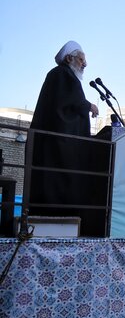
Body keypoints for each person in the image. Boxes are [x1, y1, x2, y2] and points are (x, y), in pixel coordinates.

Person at [28, 41, 102, 236]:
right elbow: (70, 100)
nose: (85, 64)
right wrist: (88, 106)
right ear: (69, 58)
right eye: (81, 59)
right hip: (58, 144)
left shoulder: (64, 75)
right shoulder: (62, 74)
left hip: (60, 142)